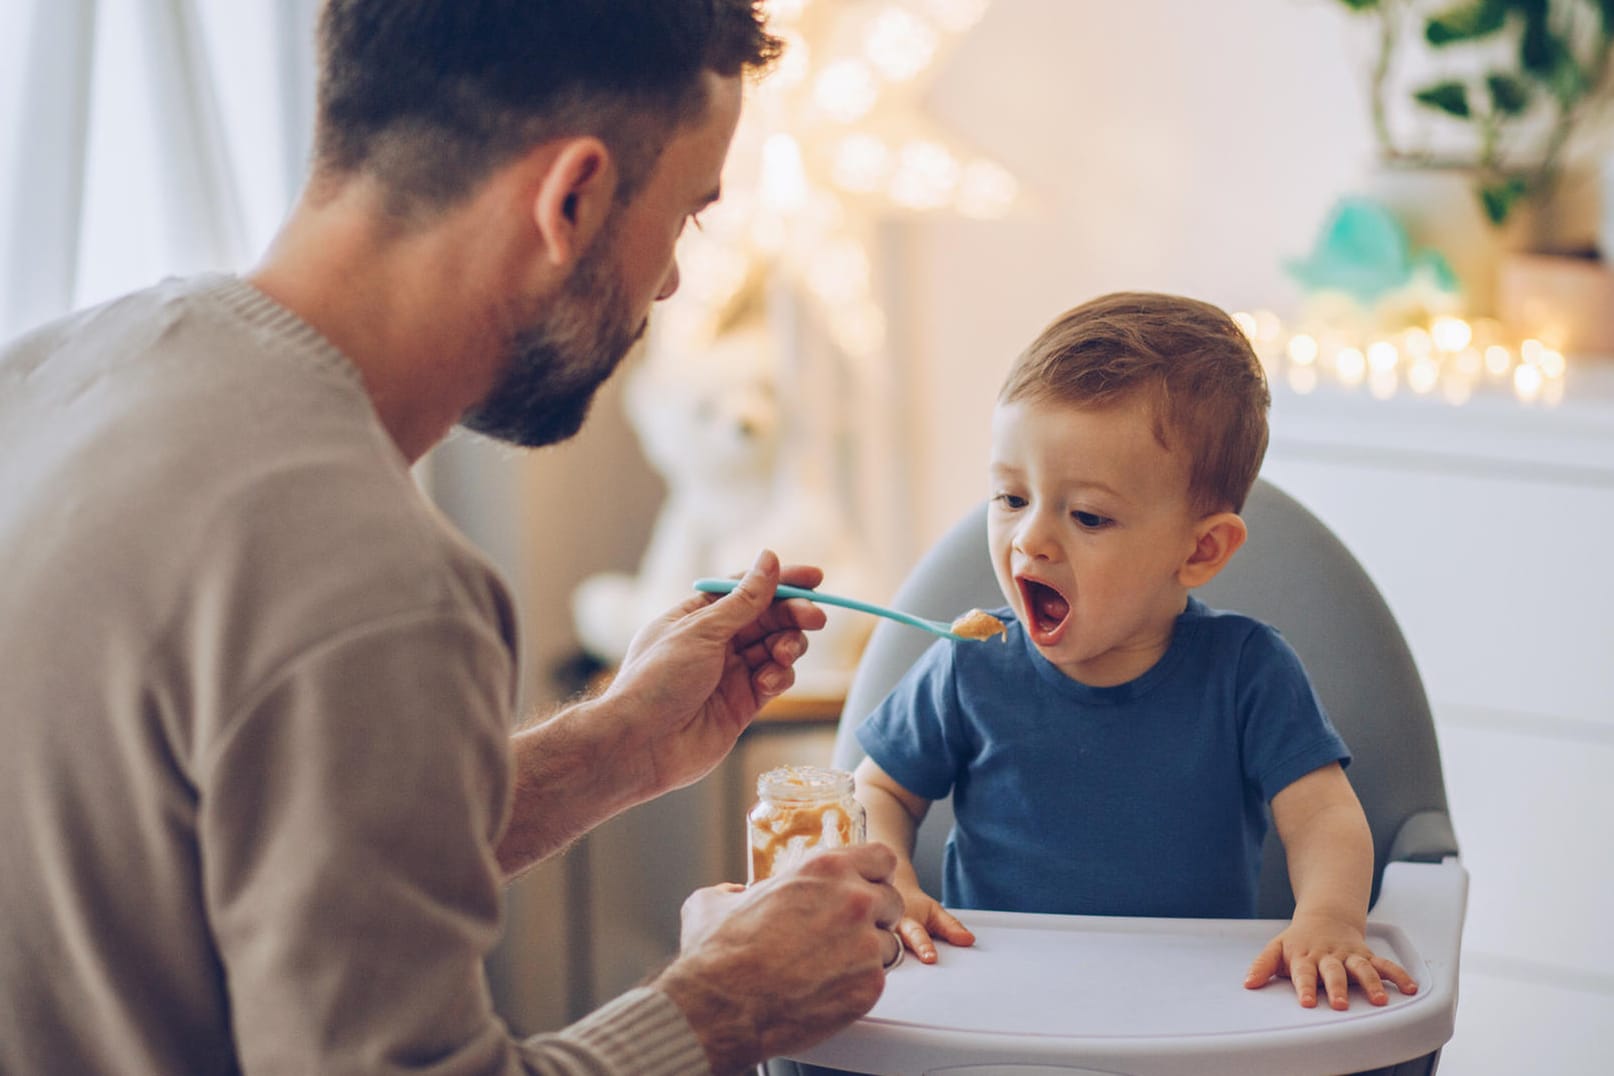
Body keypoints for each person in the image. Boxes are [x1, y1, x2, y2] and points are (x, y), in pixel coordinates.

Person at [0, 2, 905, 1074]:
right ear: (573, 198)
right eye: (687, 217)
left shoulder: (51, 374)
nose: (667, 282)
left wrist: (617, 746)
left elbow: (243, 848)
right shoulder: (375, 581)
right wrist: (724, 1004)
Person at [853, 291, 1420, 1012]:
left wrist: (1330, 921)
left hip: (1188, 1014)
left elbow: (1323, 818)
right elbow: (878, 791)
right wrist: (893, 877)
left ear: (1200, 549)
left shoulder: (1248, 674)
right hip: (995, 1011)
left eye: (1087, 514)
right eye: (1010, 498)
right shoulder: (971, 665)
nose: (1030, 540)